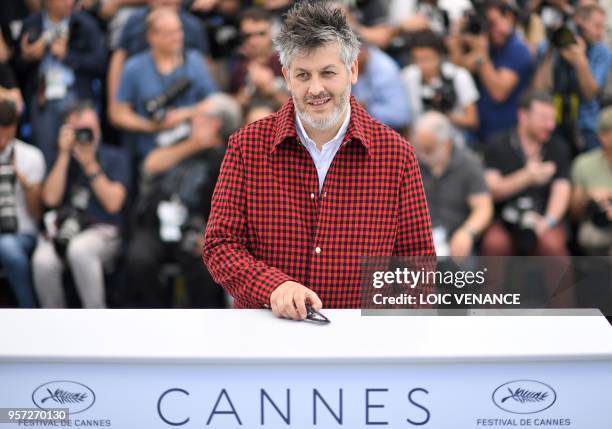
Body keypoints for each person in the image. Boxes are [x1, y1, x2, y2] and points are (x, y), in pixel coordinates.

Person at [203, 2, 435, 320]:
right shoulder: (246, 147)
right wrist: (273, 287)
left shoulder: (397, 155)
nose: (316, 89)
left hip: (360, 343)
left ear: (352, 70)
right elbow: (220, 245)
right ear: (286, 76)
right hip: (268, 335)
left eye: (328, 73)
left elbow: (417, 266)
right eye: (303, 75)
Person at [125, 93, 242, 308]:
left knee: (207, 266)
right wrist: (194, 144)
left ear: (214, 123)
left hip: (197, 230)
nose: (192, 120)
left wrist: (211, 235)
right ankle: (154, 319)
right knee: (138, 259)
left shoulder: (227, 157)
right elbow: (150, 165)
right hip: (157, 226)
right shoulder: (183, 144)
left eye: (199, 115)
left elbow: (231, 205)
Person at [32, 100, 131, 308]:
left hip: (102, 231)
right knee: (42, 260)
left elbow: (114, 203)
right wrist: (64, 155)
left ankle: (95, 320)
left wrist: (89, 165)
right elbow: (50, 199)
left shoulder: (115, 156)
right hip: (63, 230)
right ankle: (54, 324)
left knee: (80, 250)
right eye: (80, 130)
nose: (88, 135)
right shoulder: (61, 157)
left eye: (92, 128)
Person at [113, 7, 218, 164]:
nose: (178, 37)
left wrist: (185, 114)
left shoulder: (194, 60)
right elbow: (118, 114)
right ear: (152, 36)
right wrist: (151, 125)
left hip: (195, 145)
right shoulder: (134, 68)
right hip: (155, 151)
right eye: (170, 33)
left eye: (179, 31)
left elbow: (216, 101)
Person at [15, 0, 106, 167]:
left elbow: (100, 64)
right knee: (47, 153)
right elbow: (17, 68)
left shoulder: (85, 23)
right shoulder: (31, 23)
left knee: (82, 148)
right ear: (48, 2)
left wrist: (68, 56)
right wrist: (28, 57)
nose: (70, 2)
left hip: (76, 96)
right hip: (43, 96)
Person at [448, 0, 533, 142]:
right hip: (482, 134)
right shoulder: (491, 46)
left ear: (510, 17)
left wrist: (482, 53)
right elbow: (458, 69)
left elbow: (498, 92)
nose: (490, 29)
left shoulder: (518, 49)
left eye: (493, 23)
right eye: (487, 24)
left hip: (508, 135)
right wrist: (457, 42)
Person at [412, 111, 492, 259]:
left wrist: (467, 232)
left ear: (446, 143)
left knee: (465, 273)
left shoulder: (468, 164)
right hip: (417, 240)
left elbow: (483, 207)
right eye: (419, 147)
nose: (422, 154)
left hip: (455, 240)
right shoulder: (410, 161)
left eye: (428, 149)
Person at [532, 4, 610, 152]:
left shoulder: (601, 52)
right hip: (552, 123)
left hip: (586, 127)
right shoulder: (548, 47)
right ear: (579, 23)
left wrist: (580, 61)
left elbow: (591, 93)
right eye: (597, 26)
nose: (600, 33)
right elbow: (538, 90)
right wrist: (550, 51)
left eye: (602, 27)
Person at [0, 100, 45, 308]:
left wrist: (22, 179)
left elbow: (36, 213)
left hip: (23, 231)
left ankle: (29, 310)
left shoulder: (31, 156)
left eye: (5, 128)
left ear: (14, 127)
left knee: (6, 246)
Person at [401, 30, 479, 136]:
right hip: (418, 140)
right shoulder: (408, 76)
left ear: (439, 56)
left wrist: (445, 113)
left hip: (452, 138)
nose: (423, 65)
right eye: (417, 59)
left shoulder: (459, 76)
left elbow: (472, 120)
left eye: (427, 59)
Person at [570, 106, 612, 255]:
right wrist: (587, 197)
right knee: (590, 236)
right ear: (602, 136)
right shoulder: (584, 163)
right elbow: (574, 215)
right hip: (596, 224)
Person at [230, 7, 289, 109]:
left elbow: (300, 108)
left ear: (271, 32)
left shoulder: (286, 61)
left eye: (261, 34)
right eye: (248, 35)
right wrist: (246, 93)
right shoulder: (238, 63)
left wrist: (271, 90)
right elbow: (230, 104)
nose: (254, 41)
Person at [352, 41, 412, 131]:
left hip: (389, 132)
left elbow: (401, 116)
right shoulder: (352, 64)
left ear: (362, 52)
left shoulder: (385, 69)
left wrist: (366, 108)